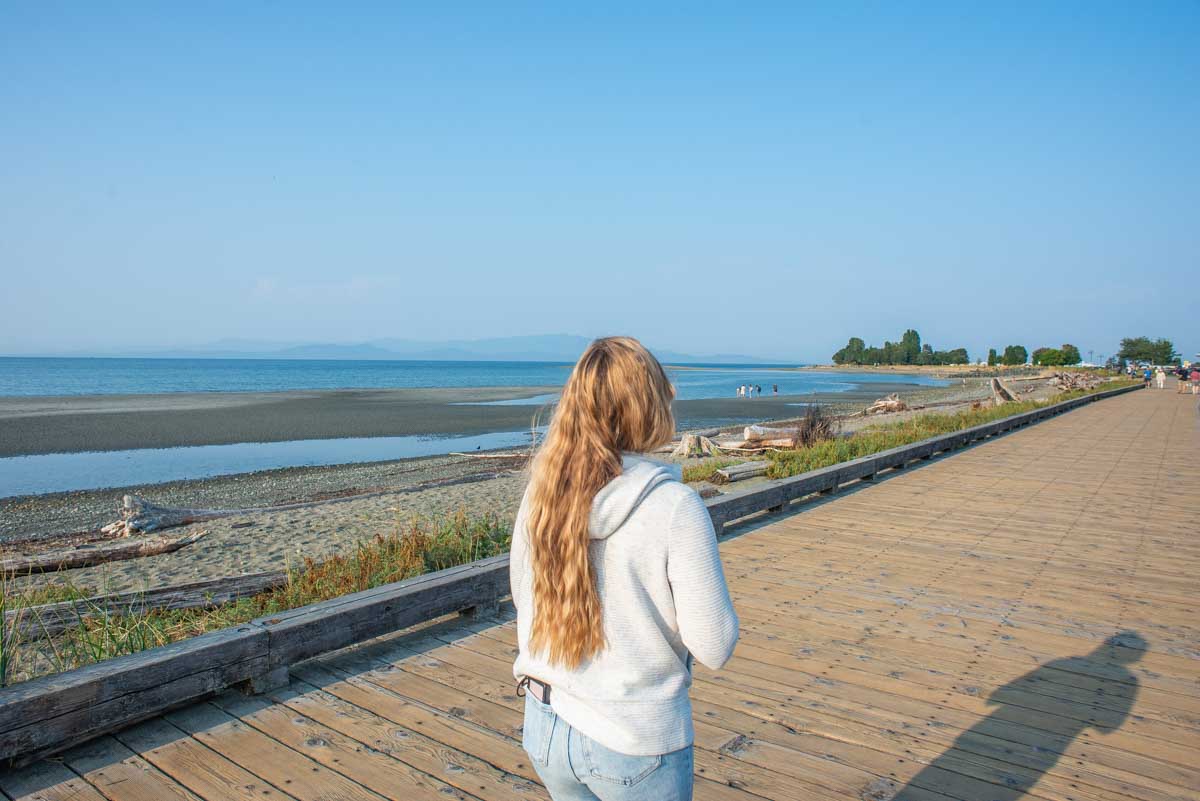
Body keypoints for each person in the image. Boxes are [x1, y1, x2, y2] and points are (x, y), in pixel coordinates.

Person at [511, 336, 739, 800]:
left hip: (547, 723)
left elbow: (524, 598)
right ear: (647, 405)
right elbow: (714, 645)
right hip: (634, 740)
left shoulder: (542, 495)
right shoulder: (674, 506)